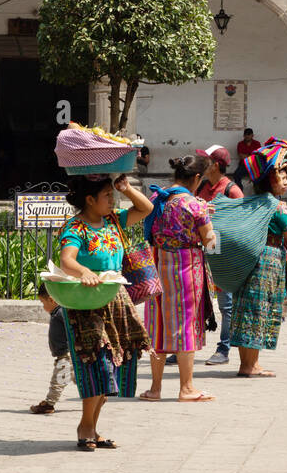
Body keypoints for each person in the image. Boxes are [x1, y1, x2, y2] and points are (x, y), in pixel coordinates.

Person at [58, 173, 153, 450]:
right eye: (108, 196)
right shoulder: (75, 228)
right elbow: (67, 261)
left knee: (113, 364)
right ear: (90, 199)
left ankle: (92, 426)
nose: (113, 200)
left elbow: (146, 209)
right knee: (97, 362)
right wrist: (85, 272)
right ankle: (85, 426)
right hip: (86, 303)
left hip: (115, 299)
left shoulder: (113, 221)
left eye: (113, 195)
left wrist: (127, 187)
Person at [140, 155, 217, 402]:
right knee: (185, 325)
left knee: (158, 324)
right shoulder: (196, 205)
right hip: (186, 268)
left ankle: (155, 388)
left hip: (158, 264)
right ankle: (186, 388)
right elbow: (209, 241)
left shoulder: (157, 198)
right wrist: (212, 229)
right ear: (196, 178)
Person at [231, 138, 287, 377]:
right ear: (271, 182)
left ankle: (248, 363)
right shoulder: (277, 206)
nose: (285, 184)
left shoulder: (251, 202)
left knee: (245, 310)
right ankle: (250, 366)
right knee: (260, 310)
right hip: (269, 259)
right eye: (282, 179)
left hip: (248, 257)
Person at [196, 145, 243, 366]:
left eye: (205, 160)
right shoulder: (202, 186)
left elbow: (241, 221)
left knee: (225, 303)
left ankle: (223, 348)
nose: (201, 163)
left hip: (222, 249)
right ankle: (185, 346)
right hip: (201, 246)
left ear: (215, 165)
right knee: (196, 298)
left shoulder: (232, 190)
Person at [30, 282, 74, 415]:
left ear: (52, 299)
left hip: (66, 355)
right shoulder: (59, 312)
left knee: (59, 380)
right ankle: (97, 395)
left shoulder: (61, 312)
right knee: (78, 378)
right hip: (65, 354)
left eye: (43, 303)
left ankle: (49, 403)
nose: (43, 307)